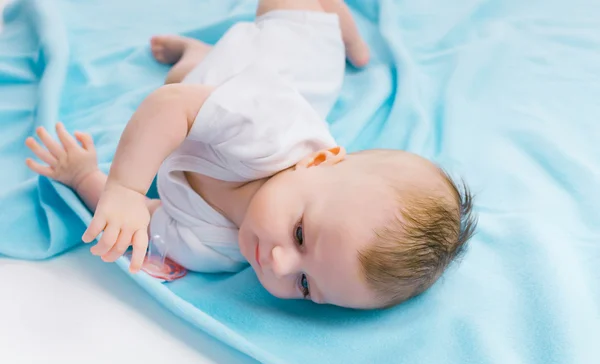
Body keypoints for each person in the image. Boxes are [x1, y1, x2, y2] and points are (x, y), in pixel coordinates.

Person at [25, 0, 477, 309]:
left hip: (205, 93)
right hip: (285, 61)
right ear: (318, 161)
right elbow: (169, 110)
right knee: (294, 18)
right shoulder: (267, 128)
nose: (277, 263)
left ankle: (196, 58)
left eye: (304, 285)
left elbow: (137, 219)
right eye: (300, 235)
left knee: (186, 82)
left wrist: (85, 177)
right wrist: (124, 187)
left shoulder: (212, 249)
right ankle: (343, 26)